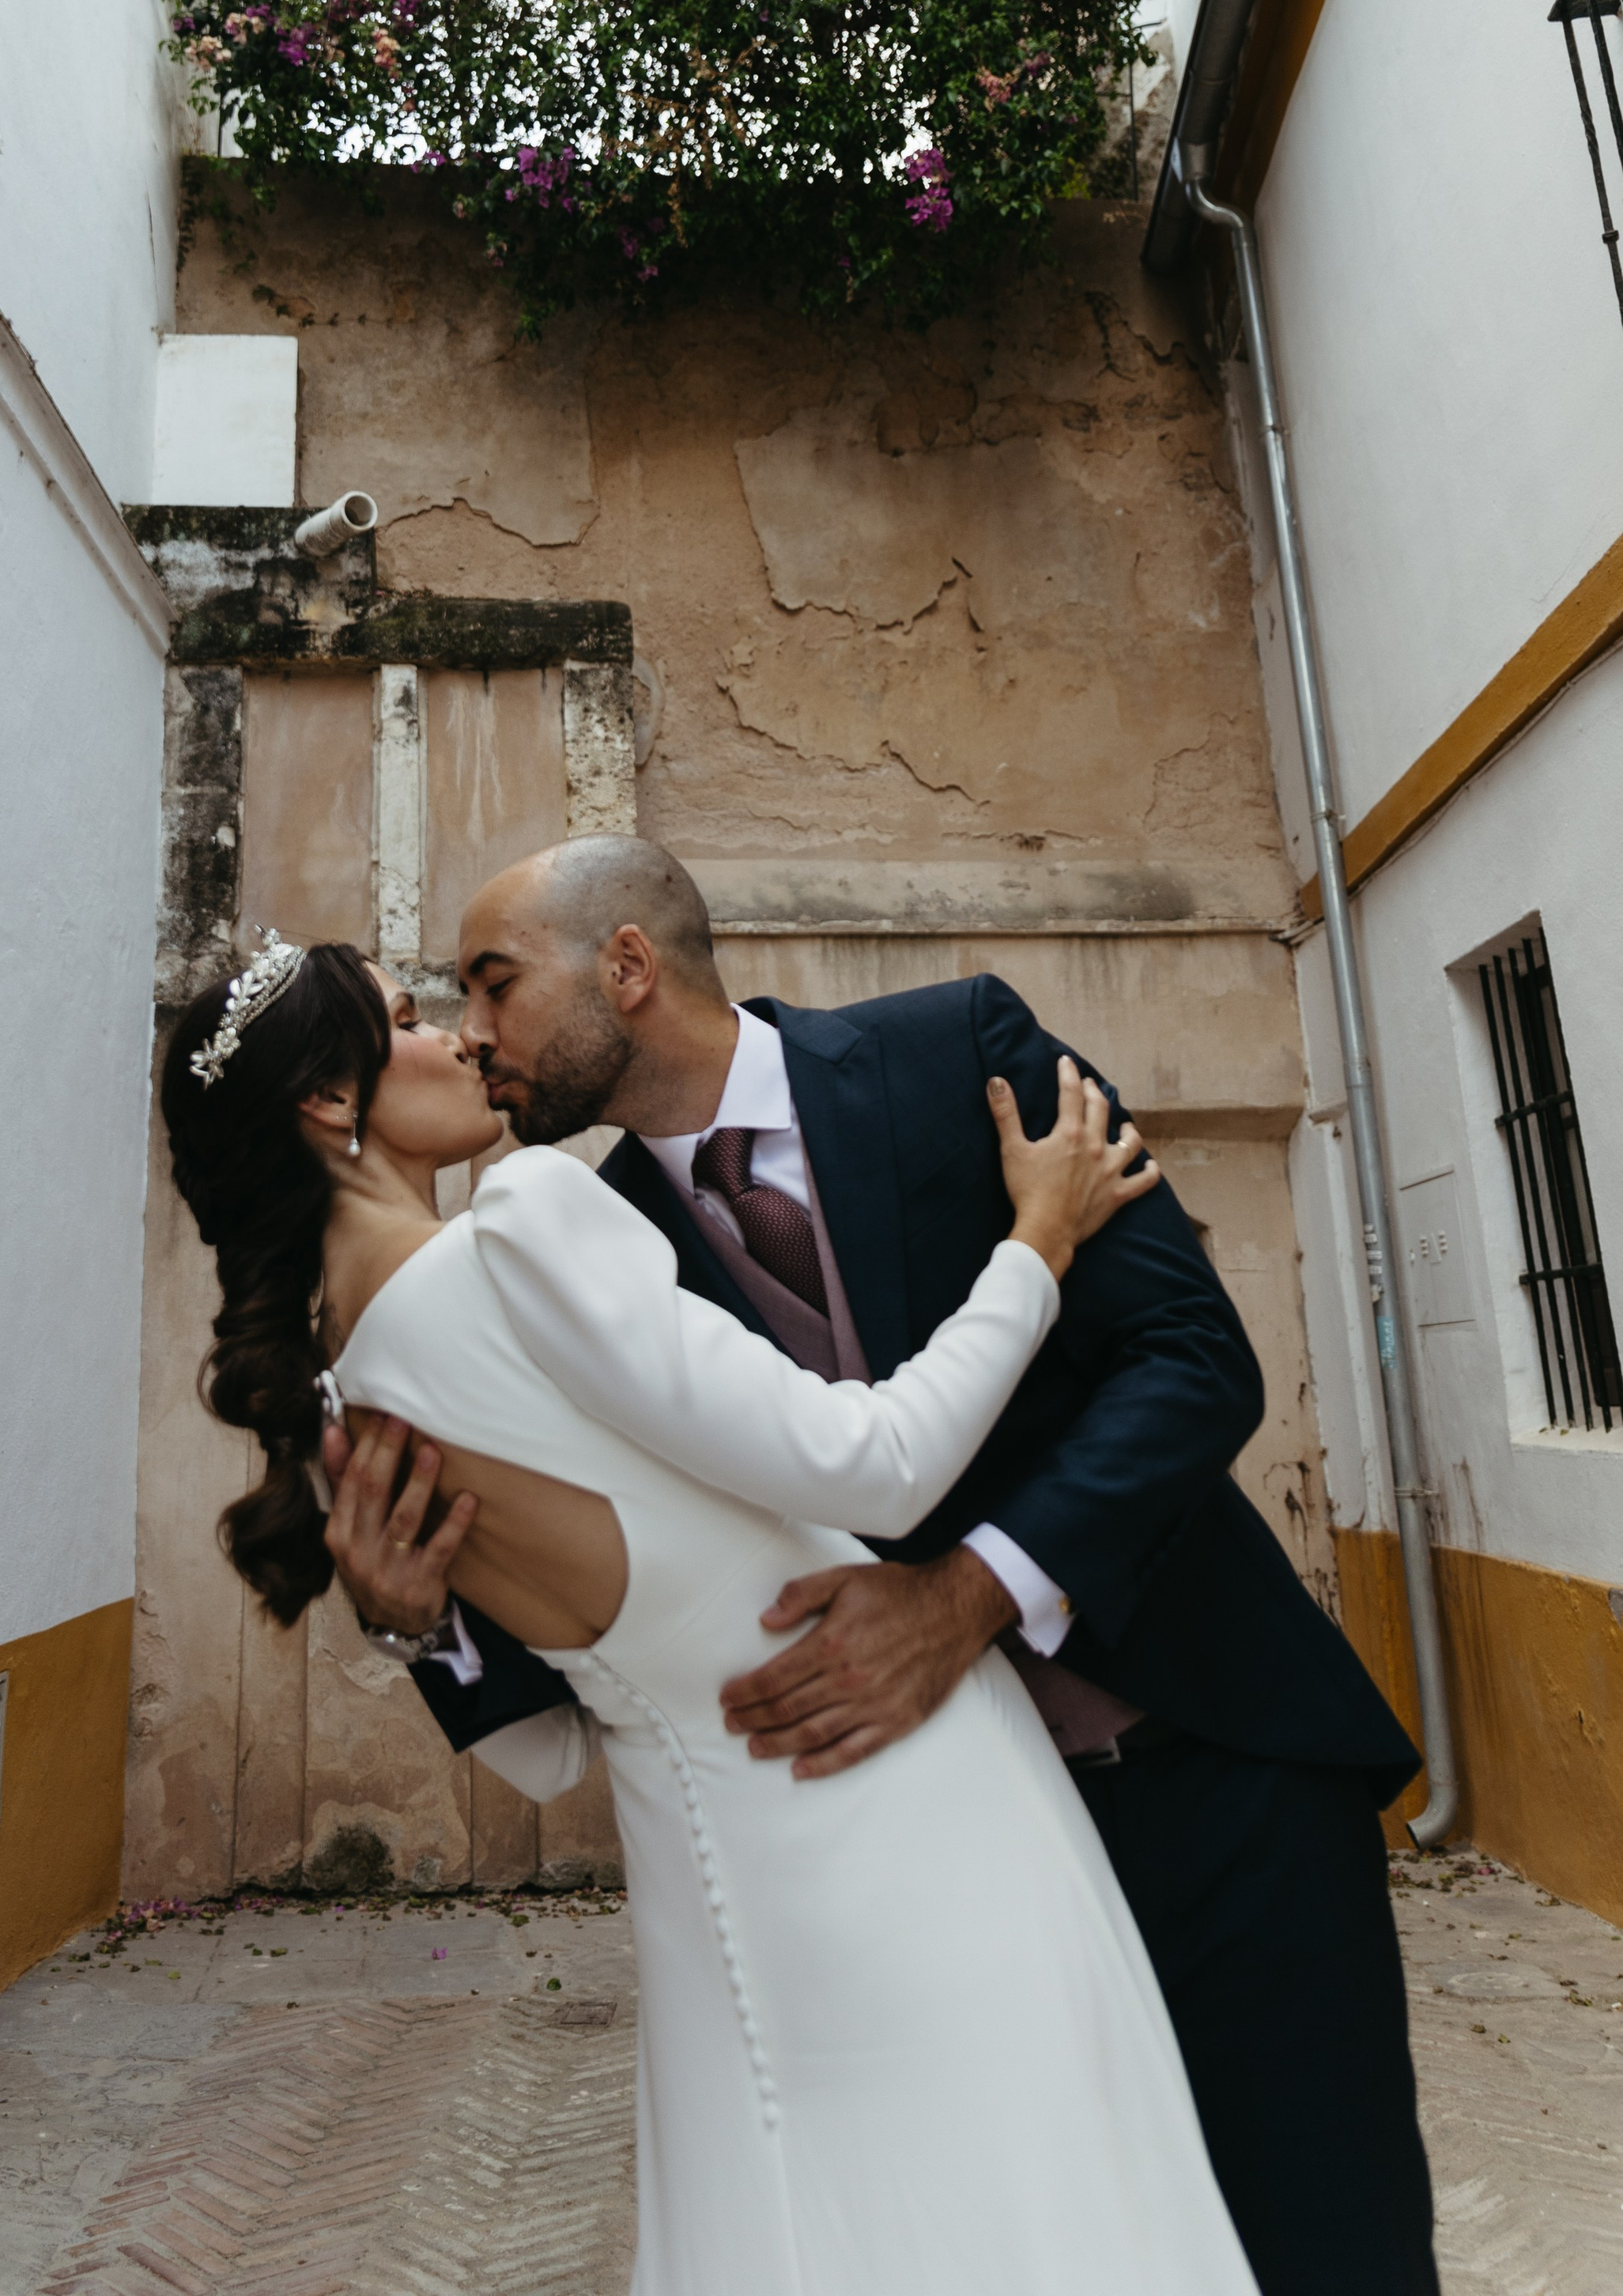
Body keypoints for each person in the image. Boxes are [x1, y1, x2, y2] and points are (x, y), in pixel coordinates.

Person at [326, 835, 1438, 2296]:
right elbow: (594, 1634)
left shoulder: (958, 1053)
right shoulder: (588, 1246)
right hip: (942, 1884)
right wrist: (413, 1623)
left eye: (494, 985)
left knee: (1334, 2246)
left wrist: (969, 1596)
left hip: (1217, 1771)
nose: (474, 1034)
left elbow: (1193, 1362)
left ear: (628, 968)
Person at [162, 929, 1259, 2296]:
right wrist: (1038, 1241)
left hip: (710, 1879)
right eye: (409, 1018)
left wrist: (409, 1626)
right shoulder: (525, 1222)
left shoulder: (341, 1407)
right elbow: (877, 1463)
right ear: (331, 1098)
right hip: (902, 1789)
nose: (457, 1037)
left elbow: (551, 1750)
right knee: (1032, 2212)